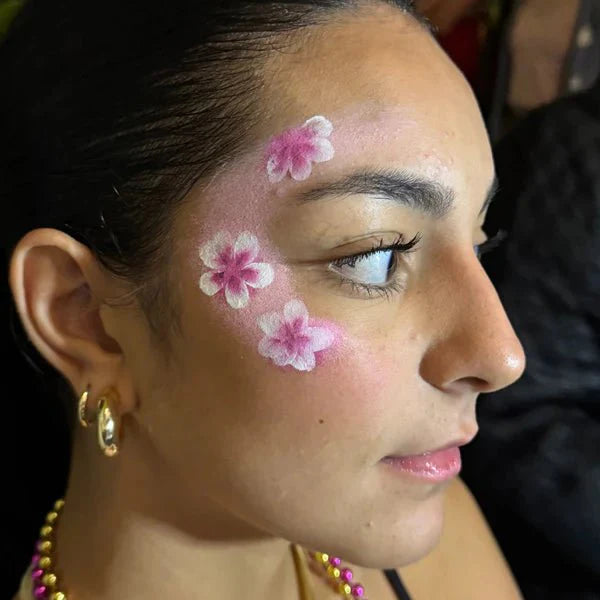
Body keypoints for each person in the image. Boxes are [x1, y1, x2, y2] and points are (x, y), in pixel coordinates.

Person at [2, 1, 526, 599]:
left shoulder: (443, 541)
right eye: (375, 254)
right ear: (87, 319)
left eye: (478, 243)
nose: (503, 355)